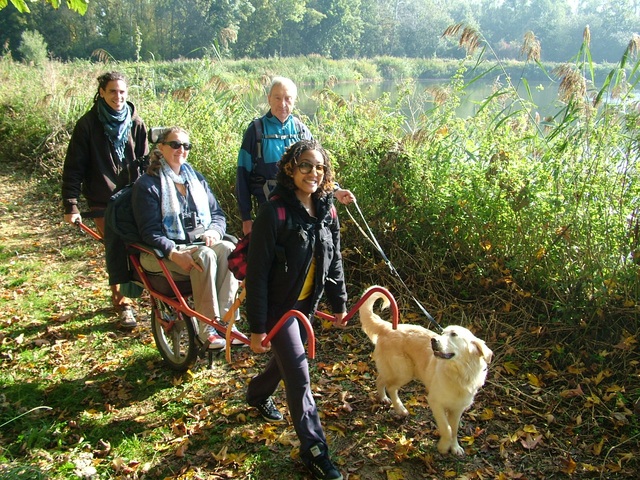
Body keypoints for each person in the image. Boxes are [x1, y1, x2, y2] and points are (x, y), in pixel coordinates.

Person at [245, 139, 347, 480]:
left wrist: (340, 305)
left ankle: (257, 394)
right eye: (305, 165)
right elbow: (257, 274)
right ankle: (315, 450)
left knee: (287, 360)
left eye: (319, 167)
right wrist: (258, 327)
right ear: (291, 168)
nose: (313, 173)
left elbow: (334, 263)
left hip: (307, 304)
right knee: (300, 375)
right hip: (279, 308)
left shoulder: (327, 209)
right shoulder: (274, 212)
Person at [132, 127, 246, 349]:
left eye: (186, 146)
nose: (180, 150)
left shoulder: (195, 179)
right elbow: (149, 232)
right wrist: (173, 253)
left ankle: (226, 320)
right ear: (161, 147)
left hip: (196, 243)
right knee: (204, 256)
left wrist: (214, 231)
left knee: (228, 250)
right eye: (175, 145)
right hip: (161, 252)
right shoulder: (148, 185)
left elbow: (217, 215)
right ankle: (206, 328)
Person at [62, 71, 148, 329]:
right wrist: (71, 204)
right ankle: (123, 304)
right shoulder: (88, 125)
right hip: (103, 199)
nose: (118, 97)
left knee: (139, 248)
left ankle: (145, 294)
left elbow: (147, 163)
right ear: (101, 92)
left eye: (122, 92)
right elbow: (74, 167)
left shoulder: (136, 123)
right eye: (112, 91)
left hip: (133, 196)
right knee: (116, 247)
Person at [235, 76, 355, 236]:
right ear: (269, 98)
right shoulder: (256, 131)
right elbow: (242, 176)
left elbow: (318, 170)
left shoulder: (301, 130)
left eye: (288, 98)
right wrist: (246, 218)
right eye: (277, 98)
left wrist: (336, 190)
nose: (282, 104)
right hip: (269, 212)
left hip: (300, 211)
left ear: (294, 101)